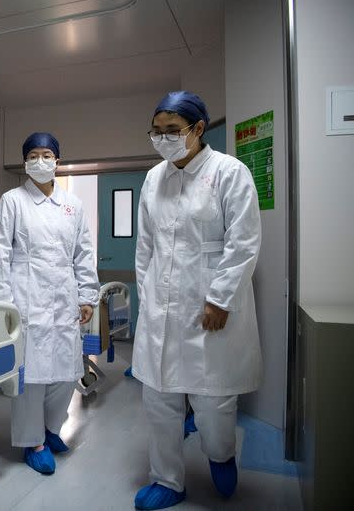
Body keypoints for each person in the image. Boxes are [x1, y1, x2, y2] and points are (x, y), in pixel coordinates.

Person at [132, 91, 262, 510]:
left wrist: (221, 299)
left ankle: (220, 454)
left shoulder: (229, 172)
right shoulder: (154, 178)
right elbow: (145, 248)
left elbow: (243, 243)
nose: (163, 138)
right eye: (157, 131)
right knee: (160, 397)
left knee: (213, 400)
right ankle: (168, 480)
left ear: (199, 128)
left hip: (210, 309)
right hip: (161, 309)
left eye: (173, 131)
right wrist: (147, 298)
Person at [0, 132, 100, 475]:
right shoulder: (13, 200)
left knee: (66, 372)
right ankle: (31, 441)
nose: (40, 160)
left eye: (46, 154)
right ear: (25, 162)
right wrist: (4, 306)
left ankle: (51, 430)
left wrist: (87, 295)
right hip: (26, 294)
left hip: (64, 296)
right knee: (32, 376)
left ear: (57, 160)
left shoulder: (72, 205)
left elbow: (84, 252)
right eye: (33, 155)